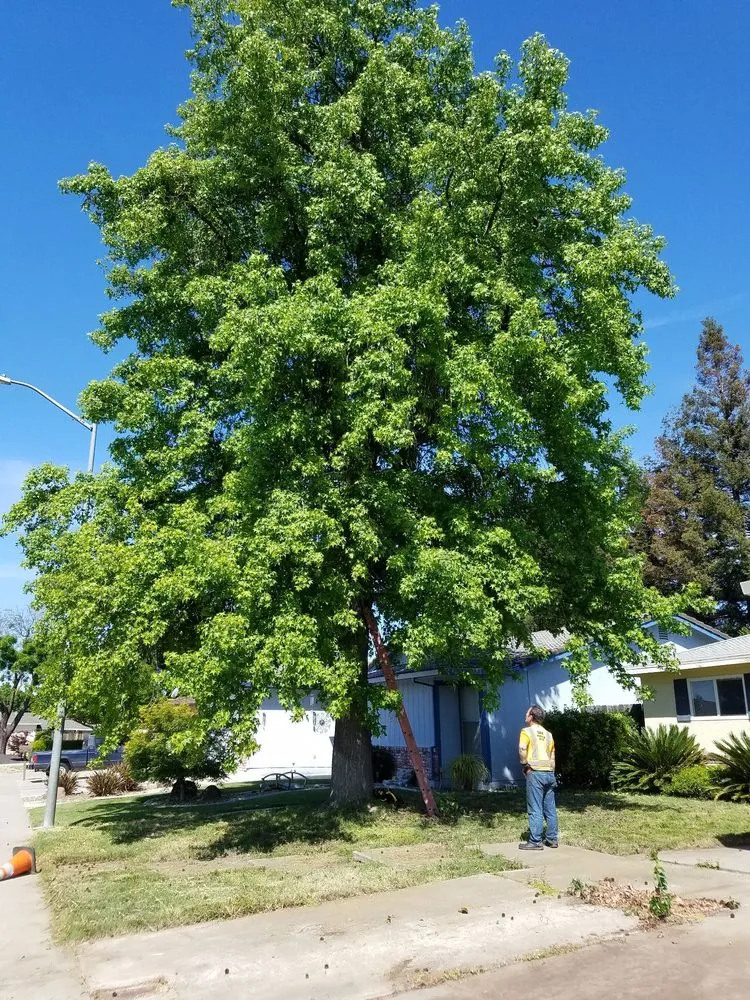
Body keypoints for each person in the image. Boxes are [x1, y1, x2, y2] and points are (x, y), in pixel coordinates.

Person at [518, 705, 558, 850]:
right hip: (549, 773)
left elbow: (522, 749)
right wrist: (551, 770)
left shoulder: (526, 731)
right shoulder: (548, 734)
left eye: (527, 713)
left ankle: (535, 841)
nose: (525, 715)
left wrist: (525, 766)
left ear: (531, 717)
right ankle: (552, 839)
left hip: (535, 772)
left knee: (535, 807)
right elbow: (552, 755)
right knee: (550, 808)